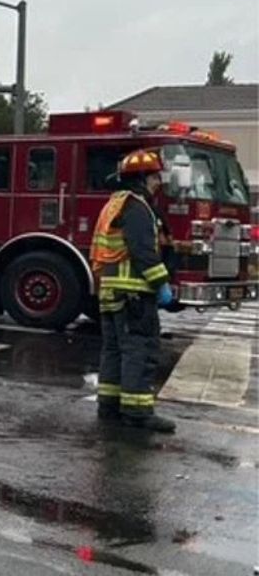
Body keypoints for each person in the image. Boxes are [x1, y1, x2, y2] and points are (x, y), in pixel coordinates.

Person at [90, 148, 176, 433]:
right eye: (154, 178)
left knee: (114, 350)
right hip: (134, 294)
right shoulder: (137, 207)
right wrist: (161, 283)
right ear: (141, 179)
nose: (157, 184)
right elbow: (141, 251)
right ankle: (138, 411)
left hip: (111, 292)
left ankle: (109, 405)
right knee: (140, 350)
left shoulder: (113, 204)